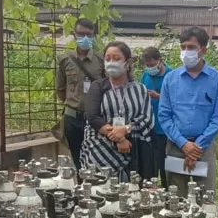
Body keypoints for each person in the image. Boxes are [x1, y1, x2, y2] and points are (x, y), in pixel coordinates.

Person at [158, 26, 218, 197]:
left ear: (203, 50)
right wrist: (184, 144)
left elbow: (217, 118)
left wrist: (196, 148)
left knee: (205, 198)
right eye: (183, 47)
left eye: (191, 47)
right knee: (176, 198)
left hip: (204, 148)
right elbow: (164, 116)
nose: (186, 51)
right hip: (176, 146)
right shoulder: (170, 79)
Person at [81, 41, 154, 181]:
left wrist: (126, 129)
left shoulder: (140, 89)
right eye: (107, 58)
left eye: (116, 58)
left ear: (128, 62)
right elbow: (93, 117)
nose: (111, 62)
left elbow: (147, 118)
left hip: (133, 149)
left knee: (130, 194)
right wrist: (120, 138)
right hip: (100, 150)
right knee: (100, 192)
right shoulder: (97, 87)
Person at [56, 18, 104, 171]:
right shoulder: (65, 60)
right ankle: (80, 188)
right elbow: (60, 89)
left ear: (94, 36)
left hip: (94, 119)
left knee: (95, 157)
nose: (85, 38)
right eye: (81, 34)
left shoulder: (100, 60)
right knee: (76, 157)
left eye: (89, 35)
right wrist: (75, 103)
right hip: (72, 118)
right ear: (74, 35)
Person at [140, 46, 172, 186]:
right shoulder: (146, 75)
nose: (150, 67)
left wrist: (158, 96)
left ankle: (167, 189)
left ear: (160, 60)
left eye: (152, 64)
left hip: (166, 128)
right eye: (147, 65)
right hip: (149, 126)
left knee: (165, 163)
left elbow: (177, 100)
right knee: (150, 163)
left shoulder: (171, 75)